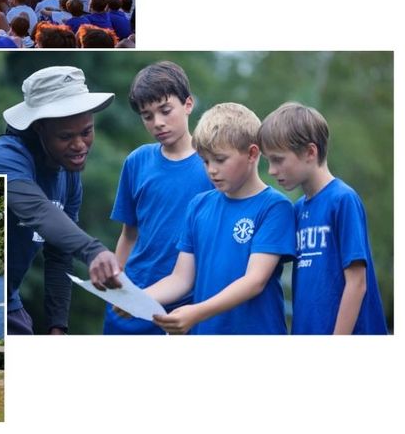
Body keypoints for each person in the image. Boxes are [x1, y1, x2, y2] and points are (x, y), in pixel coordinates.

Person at [0, 66, 122, 334]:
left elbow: (59, 251)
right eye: (66, 136)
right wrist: (93, 251)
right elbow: (39, 213)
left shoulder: (68, 171)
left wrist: (58, 326)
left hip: (8, 300)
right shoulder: (2, 160)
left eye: (87, 132)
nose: (79, 145)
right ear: (39, 128)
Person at [141, 103, 295, 334]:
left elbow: (255, 281)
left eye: (220, 160)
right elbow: (181, 279)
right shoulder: (198, 206)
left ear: (253, 154)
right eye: (205, 161)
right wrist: (137, 299)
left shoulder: (275, 207)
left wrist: (196, 312)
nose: (211, 170)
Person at [102, 62, 214, 335]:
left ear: (187, 104)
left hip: (185, 305)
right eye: (147, 116)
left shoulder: (212, 165)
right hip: (131, 298)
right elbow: (129, 234)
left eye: (165, 111)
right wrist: (118, 283)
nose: (158, 123)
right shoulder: (137, 161)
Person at [259, 103, 388, 334]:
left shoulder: (342, 200)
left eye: (278, 160)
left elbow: (357, 284)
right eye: (269, 161)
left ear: (310, 152)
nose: (271, 170)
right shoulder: (297, 209)